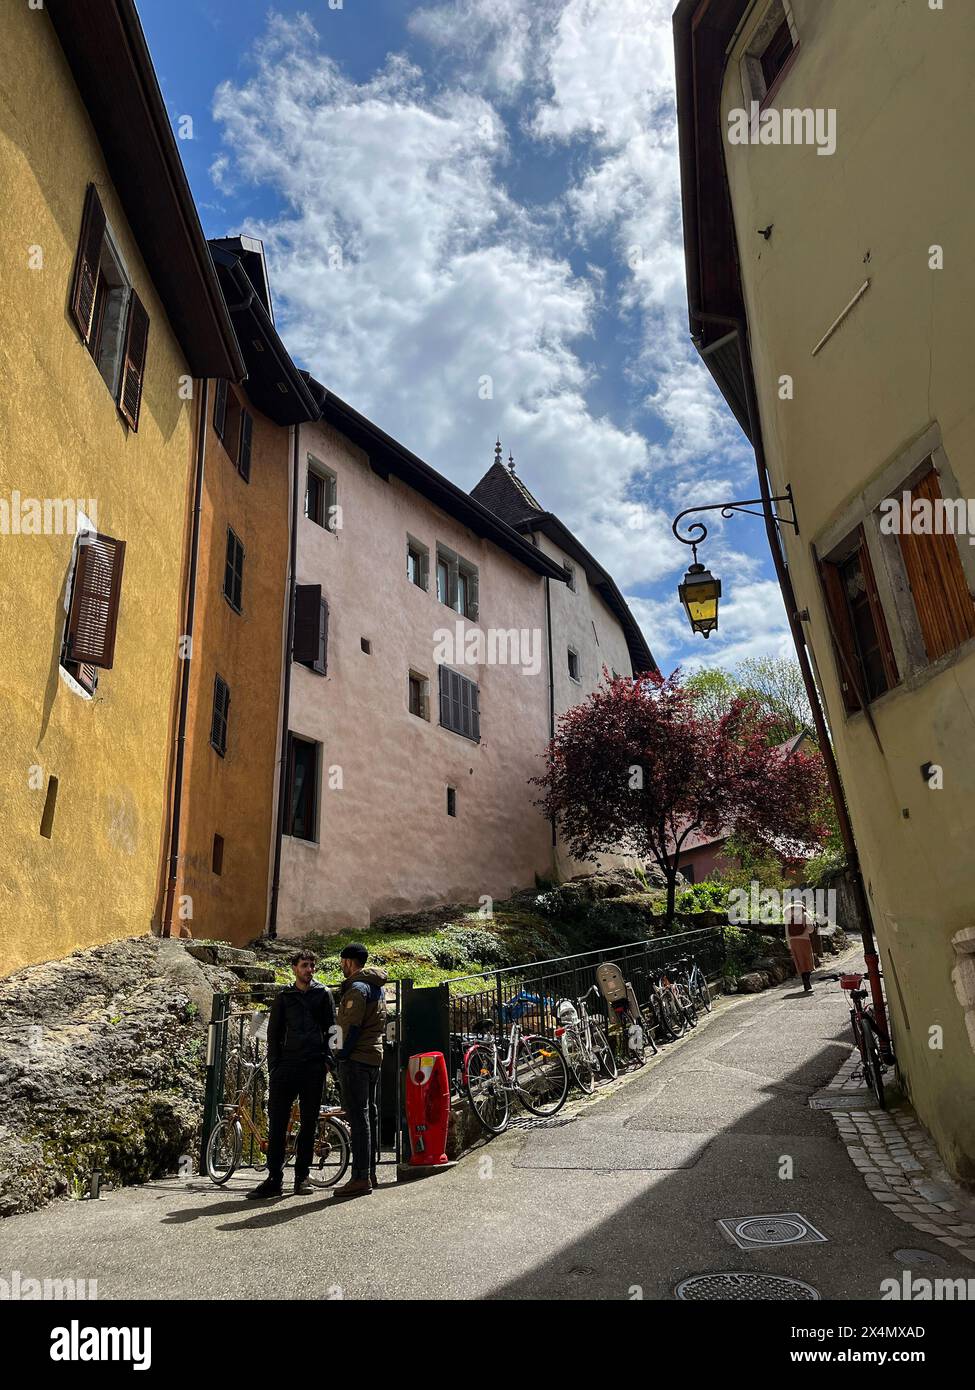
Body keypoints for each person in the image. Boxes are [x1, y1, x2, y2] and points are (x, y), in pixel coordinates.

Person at [247, 950, 335, 1199]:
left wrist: (328, 1060)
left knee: (308, 1123)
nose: (309, 970)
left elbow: (334, 1029)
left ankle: (302, 1177)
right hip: (286, 1067)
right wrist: (274, 1066)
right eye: (305, 965)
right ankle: (274, 1178)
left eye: (312, 966)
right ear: (294, 968)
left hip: (313, 1067)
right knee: (277, 1123)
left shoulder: (323, 994)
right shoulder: (284, 997)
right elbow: (273, 1034)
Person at [333, 943, 388, 1197]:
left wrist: (338, 1054)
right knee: (369, 1116)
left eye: (343, 961)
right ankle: (370, 1173)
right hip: (373, 1058)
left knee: (359, 1117)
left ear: (349, 962)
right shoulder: (377, 987)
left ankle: (360, 1177)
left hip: (356, 1058)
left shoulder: (357, 988)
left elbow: (348, 1028)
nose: (341, 965)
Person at [784, 902, 816, 994]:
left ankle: (804, 980)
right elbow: (810, 929)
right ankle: (807, 979)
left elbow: (787, 932)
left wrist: (789, 944)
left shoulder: (788, 917)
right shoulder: (804, 915)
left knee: (799, 961)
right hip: (804, 940)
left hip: (793, 941)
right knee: (808, 959)